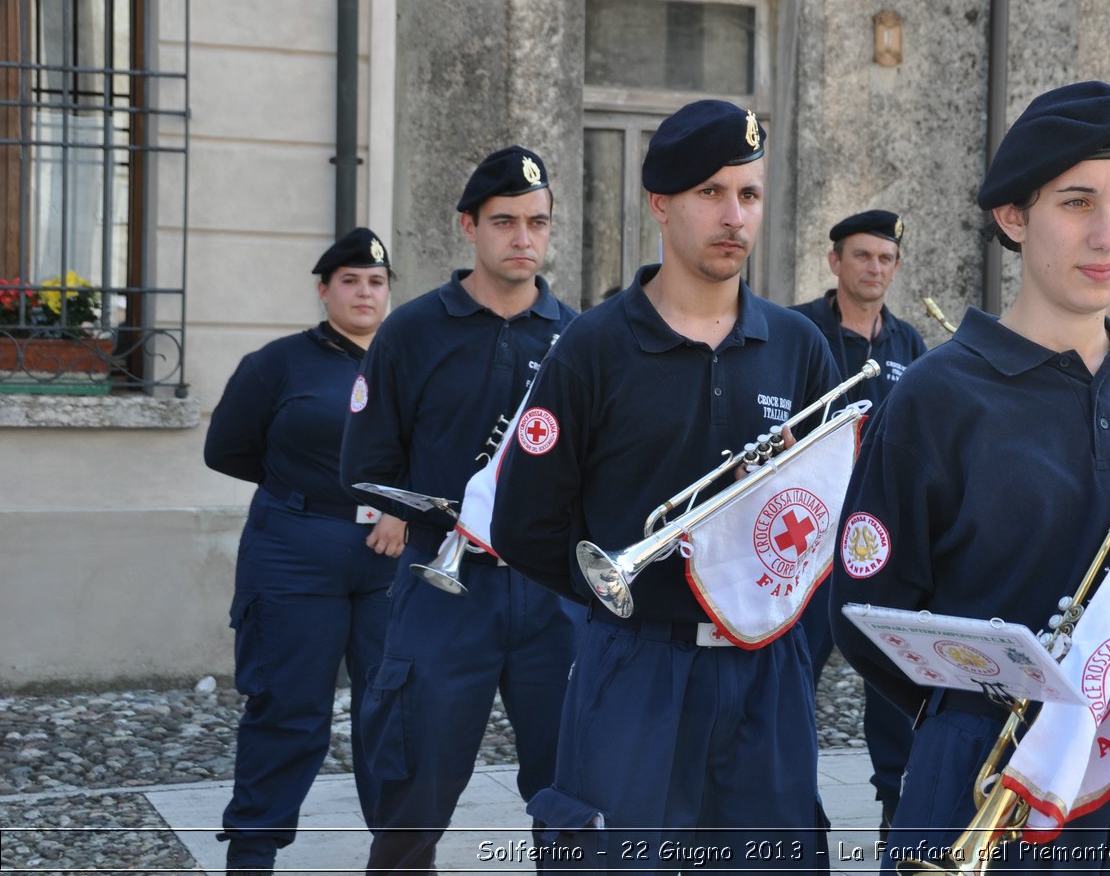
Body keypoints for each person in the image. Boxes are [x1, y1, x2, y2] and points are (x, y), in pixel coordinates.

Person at [829, 81, 1110, 872]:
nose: (1108, 234)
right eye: (1077, 202)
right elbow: (866, 614)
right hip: (984, 776)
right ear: (1013, 216)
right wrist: (996, 695)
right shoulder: (936, 394)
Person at [491, 99, 840, 870]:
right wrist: (621, 604)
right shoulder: (593, 348)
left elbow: (828, 520)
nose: (733, 217)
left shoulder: (799, 348)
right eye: (710, 193)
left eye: (748, 195)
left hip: (767, 671)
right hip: (636, 664)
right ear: (660, 204)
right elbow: (524, 523)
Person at [342, 147, 581, 875]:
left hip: (549, 593)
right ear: (467, 226)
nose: (523, 238)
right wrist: (449, 512)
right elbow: (365, 468)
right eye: (504, 221)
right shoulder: (413, 332)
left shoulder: (581, 338)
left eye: (536, 222)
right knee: (414, 791)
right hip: (444, 590)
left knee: (572, 791)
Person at [204, 227, 403, 875]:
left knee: (392, 709)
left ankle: (401, 853)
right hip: (295, 549)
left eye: (375, 281)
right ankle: (253, 852)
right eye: (349, 280)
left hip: (389, 555)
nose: (363, 291)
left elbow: (444, 447)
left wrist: (399, 507)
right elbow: (227, 448)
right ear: (324, 290)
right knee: (289, 707)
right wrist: (308, 490)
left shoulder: (410, 360)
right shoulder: (279, 363)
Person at [790, 208, 925, 837]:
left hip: (878, 540)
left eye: (886, 258)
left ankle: (897, 800)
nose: (875, 268)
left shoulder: (909, 345)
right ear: (835, 260)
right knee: (794, 674)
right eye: (863, 255)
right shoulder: (799, 333)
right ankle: (792, 798)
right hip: (808, 537)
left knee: (892, 676)